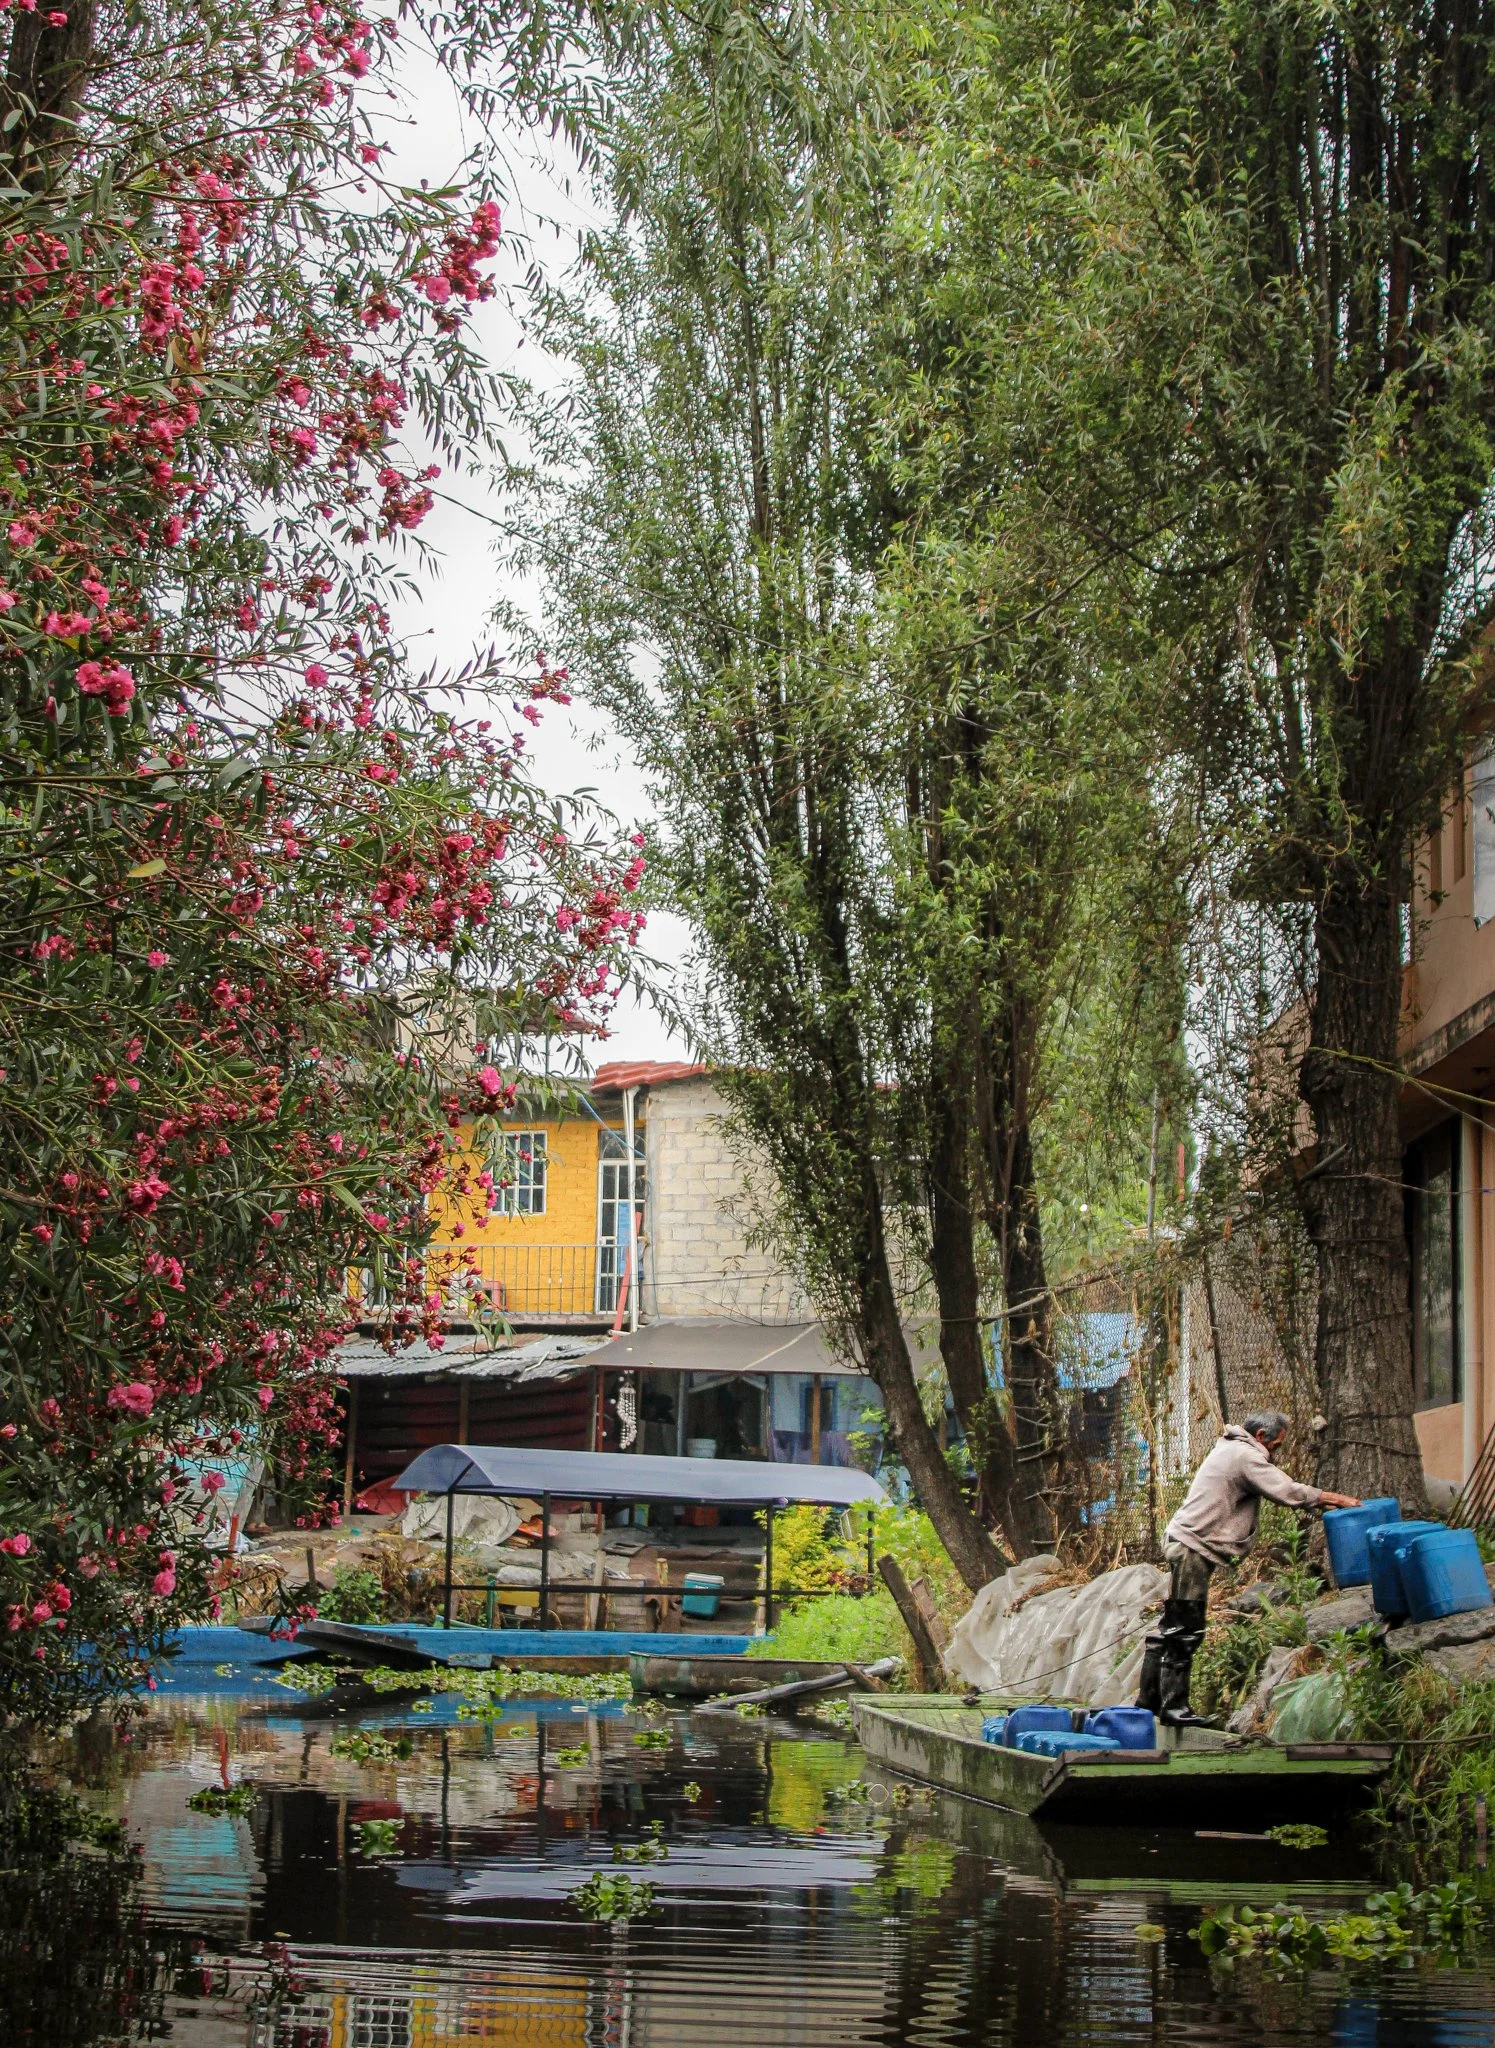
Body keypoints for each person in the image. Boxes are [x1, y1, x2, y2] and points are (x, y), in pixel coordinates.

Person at [1137, 1409, 1360, 1728]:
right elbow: (1285, 1490)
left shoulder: (1229, 1447)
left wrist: (1318, 1501)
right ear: (1261, 1437)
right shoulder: (1245, 1455)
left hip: (1184, 1541)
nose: (1276, 1453)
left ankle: (1148, 1703)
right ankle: (1174, 1709)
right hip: (1192, 1547)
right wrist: (1332, 1498)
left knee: (1171, 1625)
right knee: (1186, 1627)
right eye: (1277, 1445)